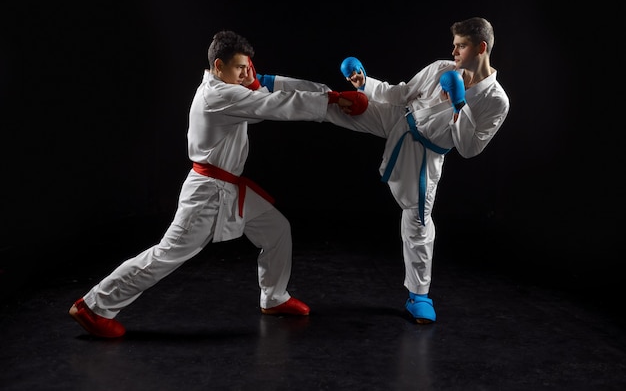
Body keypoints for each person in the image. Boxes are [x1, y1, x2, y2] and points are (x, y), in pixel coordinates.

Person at [68, 30, 368, 338]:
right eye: (238, 67)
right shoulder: (220, 95)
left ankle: (274, 297)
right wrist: (331, 99)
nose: (244, 73)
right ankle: (94, 306)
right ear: (218, 66)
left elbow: (265, 95)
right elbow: (276, 104)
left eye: (245, 67)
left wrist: (313, 92)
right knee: (166, 255)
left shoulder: (225, 87)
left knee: (276, 229)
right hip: (207, 193)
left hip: (227, 187)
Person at [332, 17, 510, 324]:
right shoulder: (442, 68)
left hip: (426, 154)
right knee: (337, 104)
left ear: (481, 48)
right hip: (399, 119)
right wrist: (366, 84)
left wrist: (459, 104)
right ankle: (269, 88)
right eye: (454, 45)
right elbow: (402, 94)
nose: (453, 51)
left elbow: (469, 149)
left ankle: (419, 294)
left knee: (417, 220)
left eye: (461, 45)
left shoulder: (496, 100)